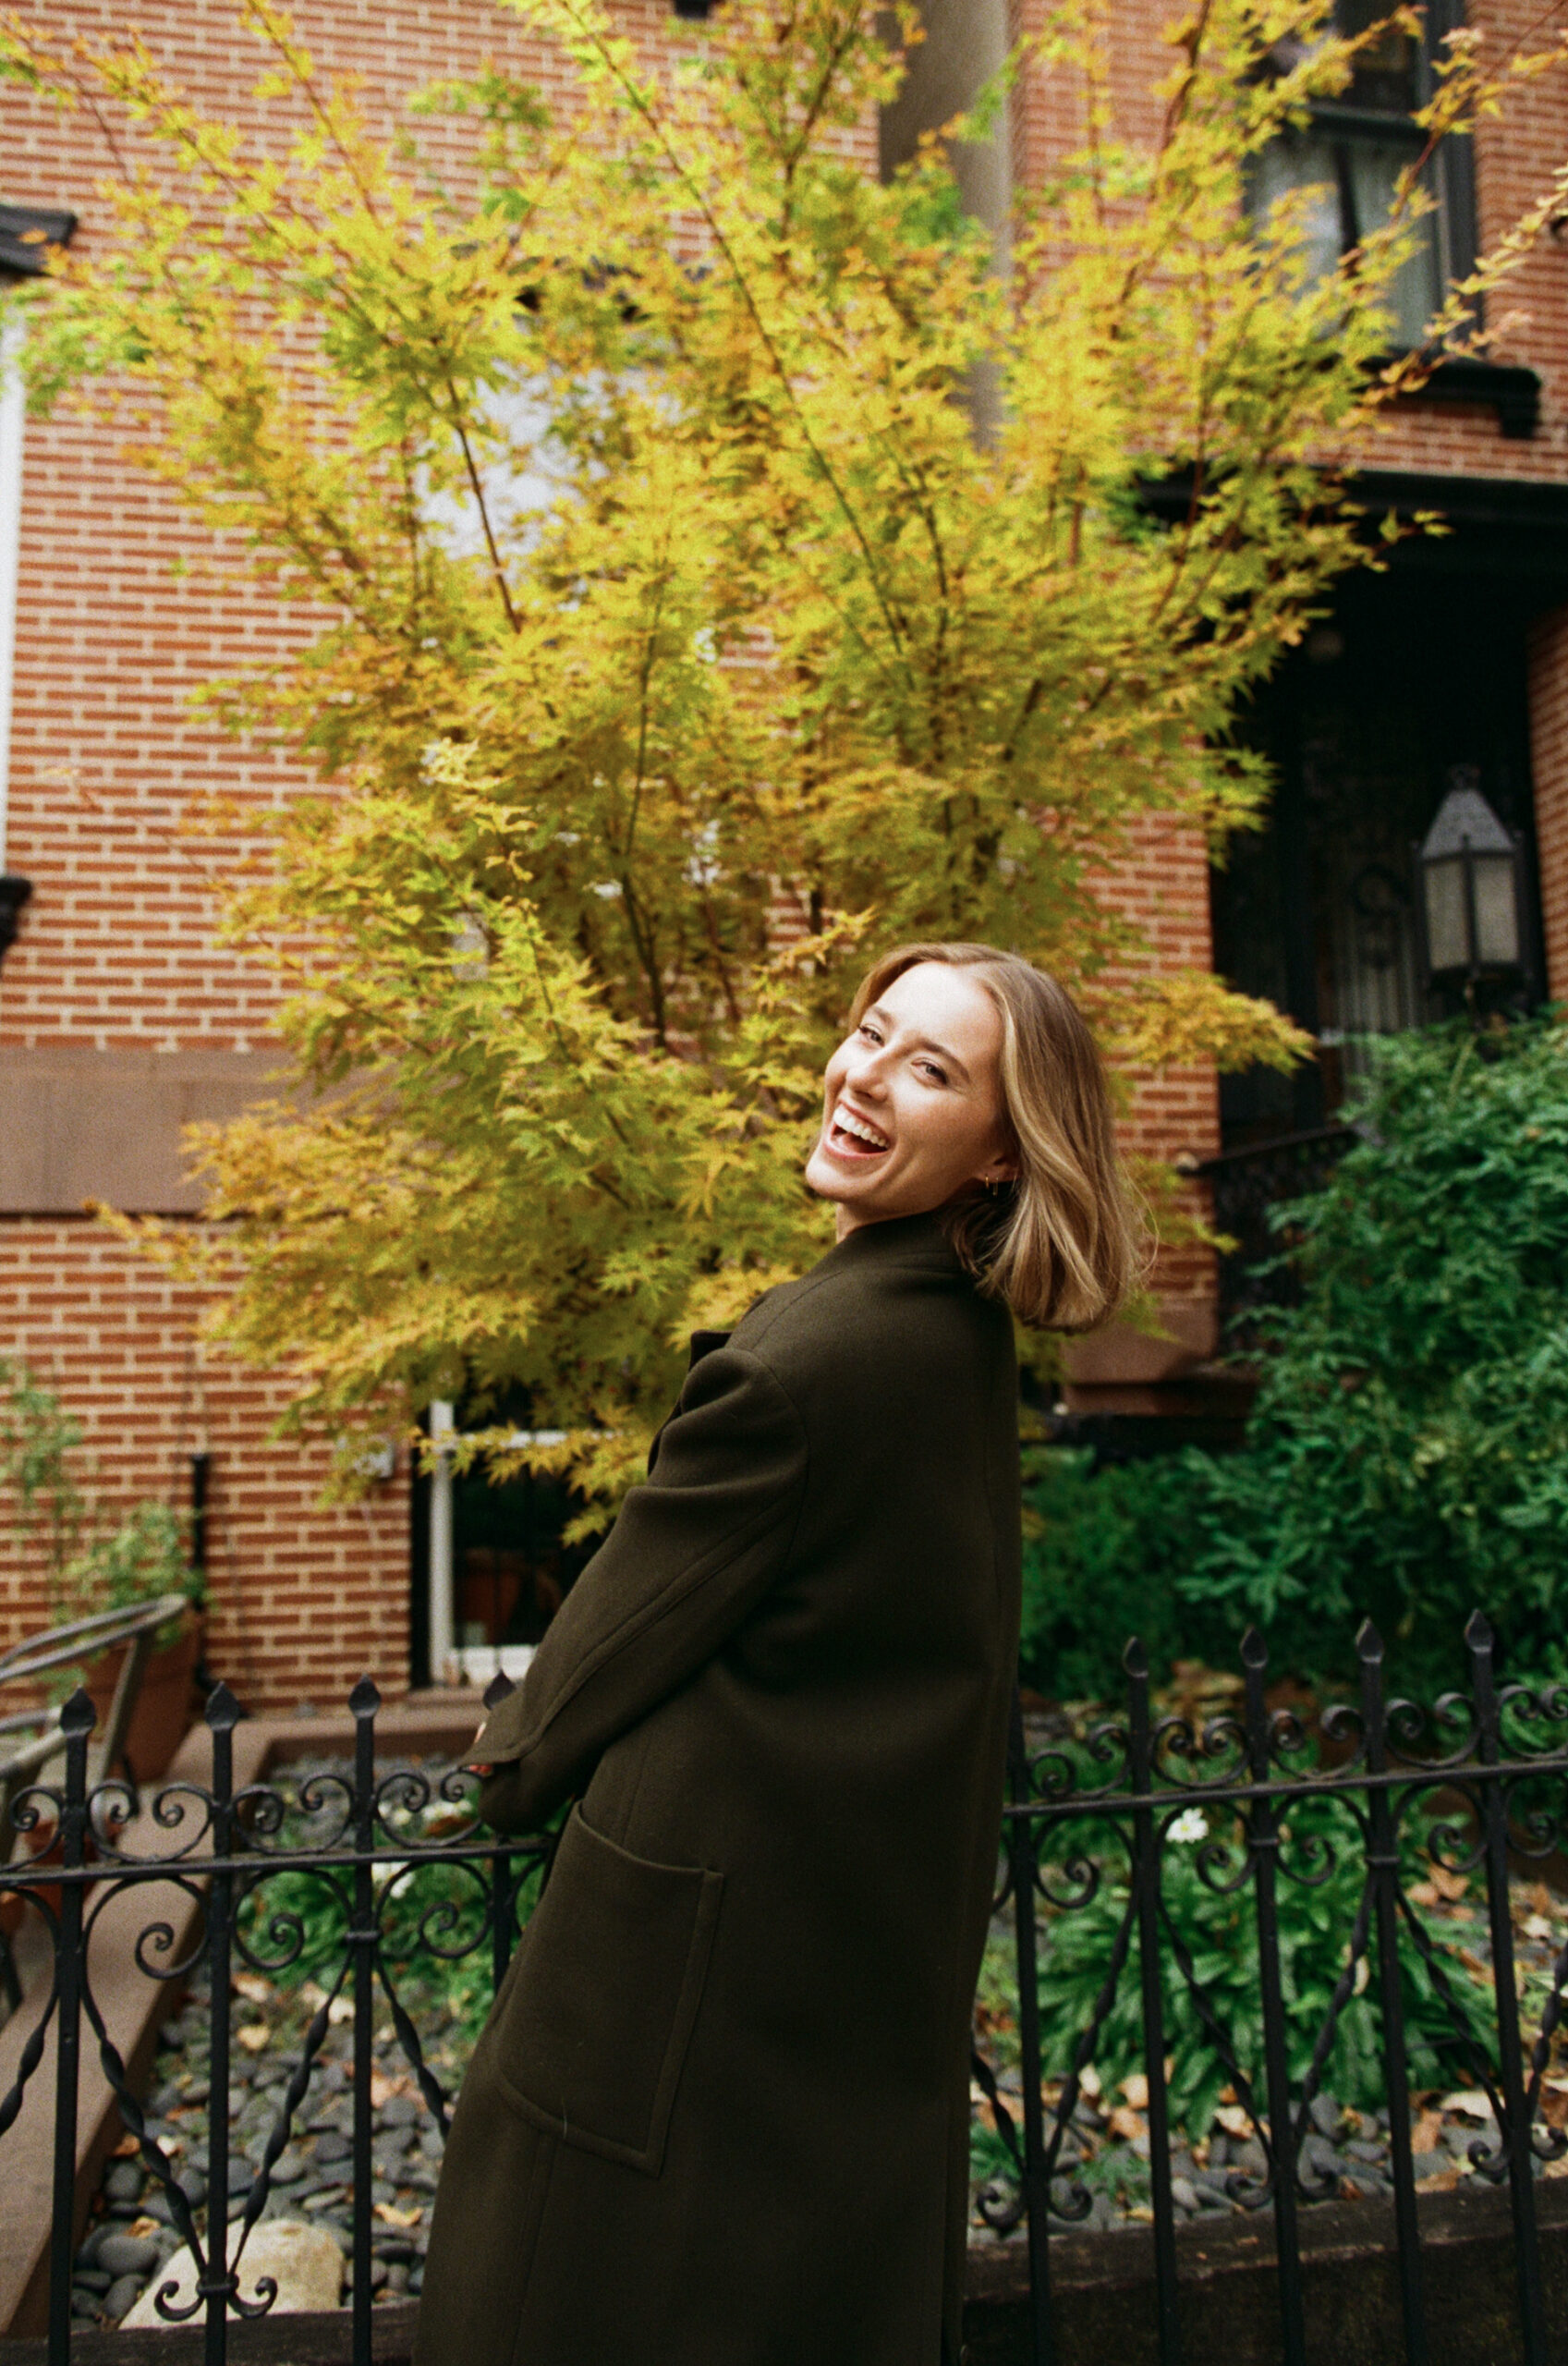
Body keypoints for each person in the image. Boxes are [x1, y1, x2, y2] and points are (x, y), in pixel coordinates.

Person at [412, 941, 1137, 2366]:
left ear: (998, 1154)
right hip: (847, 1947)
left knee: (564, 2289)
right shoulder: (951, 1330)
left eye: (929, 1070)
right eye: (871, 1033)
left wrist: (497, 1779)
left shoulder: (803, 1363)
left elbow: (615, 1629)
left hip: (686, 1960)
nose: (862, 1075)